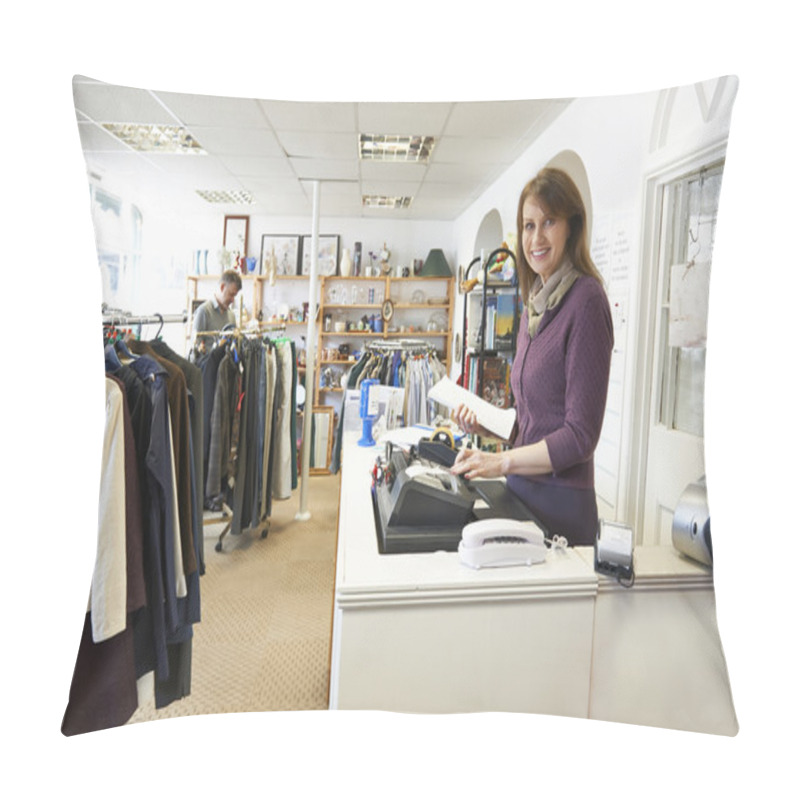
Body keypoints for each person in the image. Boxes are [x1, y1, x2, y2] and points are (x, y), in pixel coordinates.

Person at [451, 167, 614, 546]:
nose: (535, 238)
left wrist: (501, 462)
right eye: (527, 225)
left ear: (571, 227)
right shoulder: (532, 308)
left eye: (548, 222)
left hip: (561, 506)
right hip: (521, 493)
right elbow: (534, 422)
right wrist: (486, 427)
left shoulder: (586, 302)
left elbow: (579, 437)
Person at [192, 269, 242, 349]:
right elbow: (194, 350)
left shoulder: (231, 316)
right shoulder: (204, 312)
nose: (233, 300)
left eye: (234, 296)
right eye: (231, 294)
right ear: (222, 287)